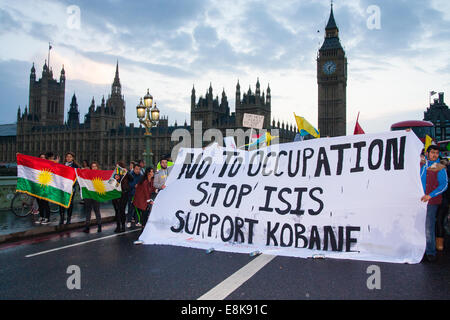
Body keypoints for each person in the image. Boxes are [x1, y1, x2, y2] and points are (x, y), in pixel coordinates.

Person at [420, 145, 448, 262]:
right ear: (427, 153)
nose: (435, 155)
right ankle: (418, 249)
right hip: (418, 200)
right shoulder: (421, 164)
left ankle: (430, 251)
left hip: (431, 202)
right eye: (432, 152)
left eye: (436, 153)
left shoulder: (439, 167)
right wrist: (407, 133)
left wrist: (430, 195)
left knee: (428, 226)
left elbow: (444, 185)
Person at [59, 152, 79, 225]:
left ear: (73, 158)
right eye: (67, 157)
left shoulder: (75, 166)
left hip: (71, 187)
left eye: (70, 157)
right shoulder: (62, 165)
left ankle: (68, 218)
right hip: (62, 187)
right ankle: (61, 217)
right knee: (61, 202)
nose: (68, 158)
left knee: (70, 203)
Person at [83, 161, 102, 233]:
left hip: (96, 195)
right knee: (88, 211)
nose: (94, 167)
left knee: (97, 211)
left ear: (97, 167)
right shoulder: (87, 175)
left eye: (95, 166)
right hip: (88, 195)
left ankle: (99, 226)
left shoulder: (100, 175)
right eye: (92, 166)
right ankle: (87, 227)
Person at [37, 151, 55, 225]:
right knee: (40, 203)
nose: (42, 158)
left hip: (46, 187)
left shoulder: (49, 165)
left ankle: (47, 218)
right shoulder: (37, 165)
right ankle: (41, 217)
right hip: (39, 186)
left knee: (45, 203)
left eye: (44, 157)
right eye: (41, 157)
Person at [436, 157, 450, 251]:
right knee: (441, 222)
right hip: (443, 202)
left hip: (441, 202)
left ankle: (439, 244)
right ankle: (440, 244)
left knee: (439, 222)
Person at [112, 161, 130, 233]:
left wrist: (126, 172)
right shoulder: (114, 174)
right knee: (117, 211)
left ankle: (123, 226)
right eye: (116, 167)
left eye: (119, 167)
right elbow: (111, 183)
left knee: (122, 210)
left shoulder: (126, 174)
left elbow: (131, 179)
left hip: (123, 194)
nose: (117, 168)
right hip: (115, 194)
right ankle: (118, 226)